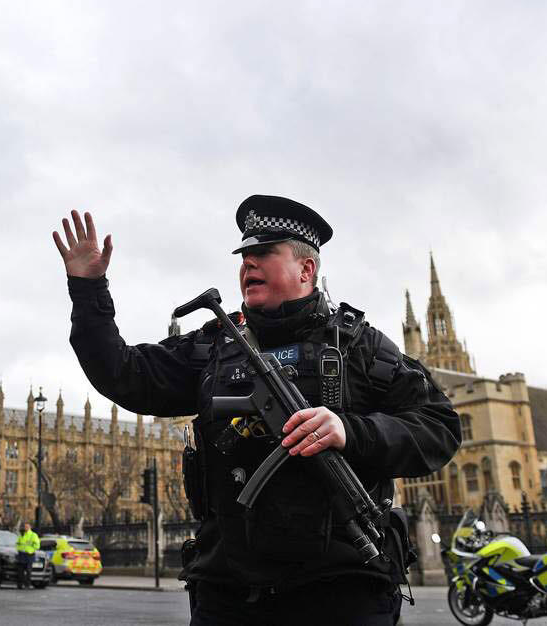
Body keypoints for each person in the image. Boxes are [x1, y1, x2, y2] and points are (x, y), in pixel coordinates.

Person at [53, 196, 462, 626]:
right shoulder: (213, 345)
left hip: (341, 588)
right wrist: (88, 289)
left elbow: (439, 427)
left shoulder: (359, 346)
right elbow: (123, 373)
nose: (249, 265)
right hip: (229, 590)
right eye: (244, 256)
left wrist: (351, 431)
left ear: (306, 269)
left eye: (264, 253)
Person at [15, 522, 40, 589]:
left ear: (30, 527)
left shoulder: (33, 535)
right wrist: (19, 549)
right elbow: (18, 544)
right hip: (21, 554)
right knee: (20, 571)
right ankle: (20, 585)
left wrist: (31, 550)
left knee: (28, 571)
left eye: (27, 527)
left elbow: (37, 546)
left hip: (29, 555)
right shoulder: (22, 535)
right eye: (25, 526)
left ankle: (27, 585)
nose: (25, 528)